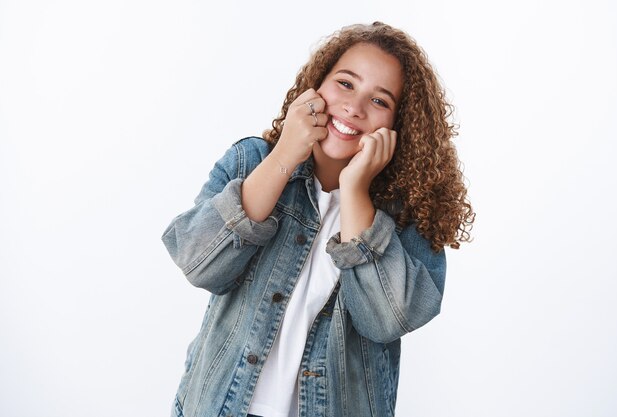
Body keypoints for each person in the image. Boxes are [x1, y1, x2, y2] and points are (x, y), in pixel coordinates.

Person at [162, 21, 474, 417]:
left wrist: (356, 191)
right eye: (345, 83)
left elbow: (390, 319)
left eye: (380, 101)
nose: (355, 107)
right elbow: (198, 263)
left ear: (400, 126)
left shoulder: (408, 213)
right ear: (316, 86)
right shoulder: (252, 162)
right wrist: (285, 155)